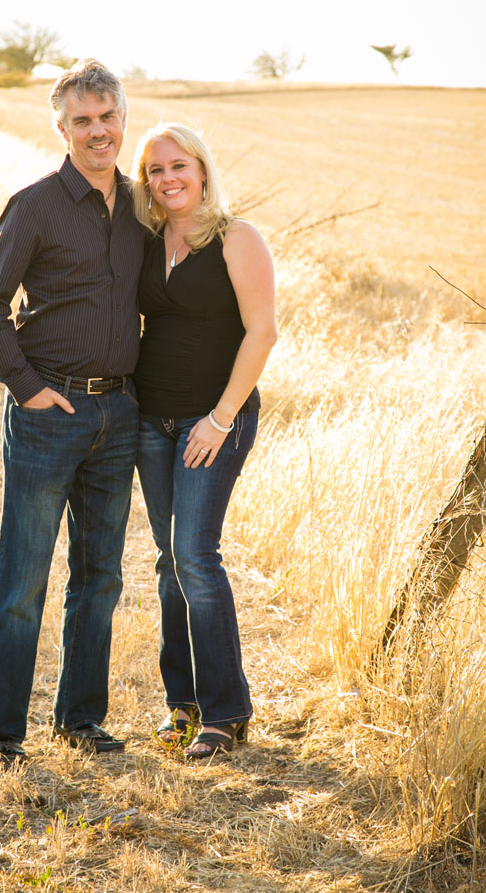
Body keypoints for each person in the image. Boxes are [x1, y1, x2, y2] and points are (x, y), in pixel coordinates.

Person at [0, 59, 144, 766]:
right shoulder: (34, 205)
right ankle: (1, 735)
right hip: (49, 412)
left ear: (123, 119)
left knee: (100, 577)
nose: (97, 132)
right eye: (82, 121)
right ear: (61, 127)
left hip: (118, 415)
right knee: (24, 580)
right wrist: (27, 387)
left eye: (106, 118)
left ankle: (79, 720)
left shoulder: (142, 207)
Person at [130, 123, 277, 759]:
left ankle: (226, 713)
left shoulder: (236, 237)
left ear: (202, 169)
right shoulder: (146, 240)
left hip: (214, 420)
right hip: (151, 420)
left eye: (178, 165)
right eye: (155, 170)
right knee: (168, 561)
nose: (168, 178)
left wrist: (219, 419)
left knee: (195, 555)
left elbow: (262, 333)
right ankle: (182, 704)